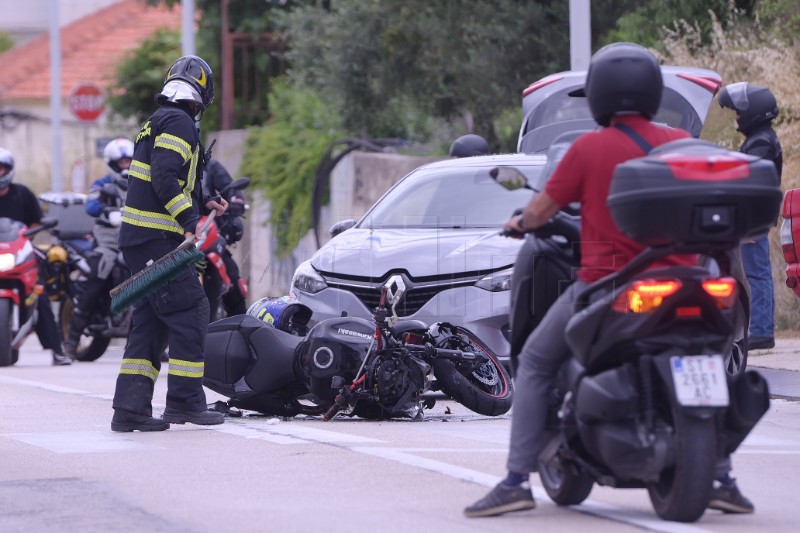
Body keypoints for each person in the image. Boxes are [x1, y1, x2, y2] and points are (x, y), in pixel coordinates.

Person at [464, 42, 753, 518]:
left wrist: (519, 221)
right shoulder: (679, 145)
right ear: (653, 92)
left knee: (535, 360)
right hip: (686, 278)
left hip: (608, 283)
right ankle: (722, 478)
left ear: (598, 95)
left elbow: (542, 209)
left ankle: (516, 481)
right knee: (703, 360)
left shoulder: (588, 148)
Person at [111, 55, 228, 432]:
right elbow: (164, 179)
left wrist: (201, 202)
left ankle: (129, 411)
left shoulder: (157, 120)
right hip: (156, 240)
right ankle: (184, 402)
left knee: (149, 323)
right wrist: (190, 221)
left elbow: (163, 180)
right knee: (190, 311)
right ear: (203, 90)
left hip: (141, 239)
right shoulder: (179, 122)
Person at [718, 82, 782, 351]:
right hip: (752, 217)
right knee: (754, 274)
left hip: (753, 219)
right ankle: (757, 329)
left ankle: (761, 331)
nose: (737, 117)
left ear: (754, 111)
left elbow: (749, 179)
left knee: (757, 275)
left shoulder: (762, 143)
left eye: (739, 112)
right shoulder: (759, 140)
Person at [63, 138, 134, 359]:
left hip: (133, 240)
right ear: (112, 163)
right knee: (98, 275)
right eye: (121, 162)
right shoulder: (102, 184)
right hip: (108, 242)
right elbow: (91, 204)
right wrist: (105, 211)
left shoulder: (141, 182)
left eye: (129, 161)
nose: (125, 165)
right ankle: (72, 342)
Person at [0, 148, 71, 365]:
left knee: (40, 294)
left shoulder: (23, 193)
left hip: (19, 250)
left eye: (1, 168)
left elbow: (38, 221)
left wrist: (27, 236)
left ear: (9, 170)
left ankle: (58, 351)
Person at [203, 158, 247, 316]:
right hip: (177, 236)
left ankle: (241, 330)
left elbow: (230, 190)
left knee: (233, 279)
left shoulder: (208, 165)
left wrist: (236, 201)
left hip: (206, 232)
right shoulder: (169, 164)